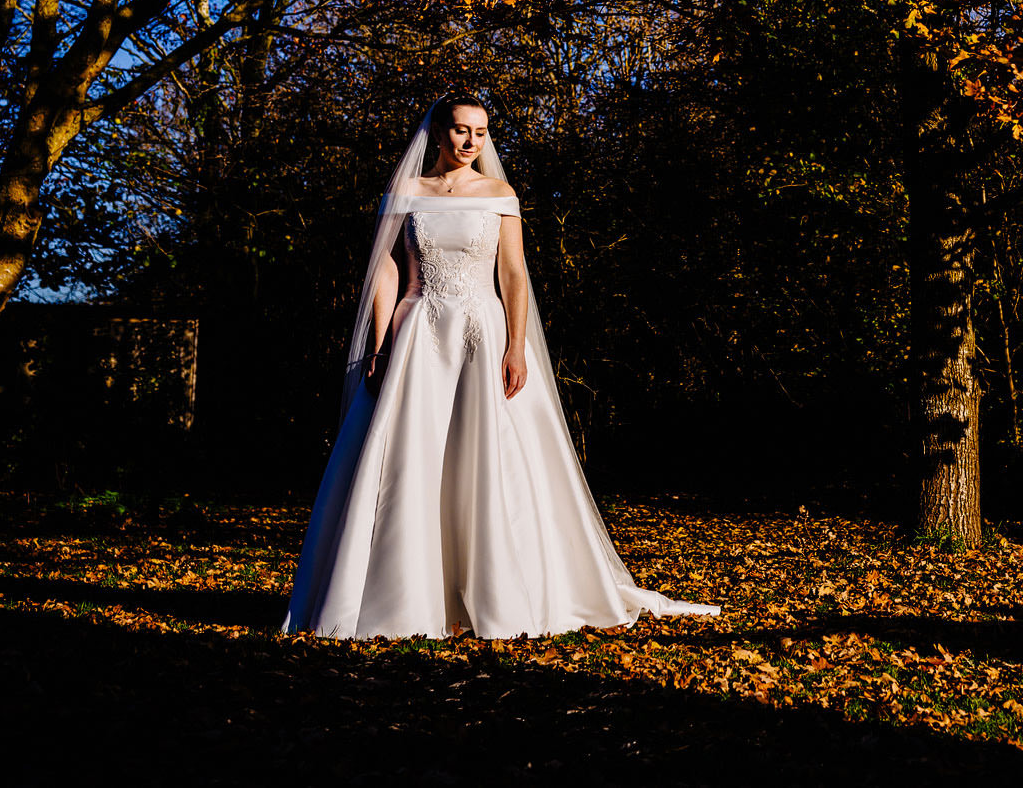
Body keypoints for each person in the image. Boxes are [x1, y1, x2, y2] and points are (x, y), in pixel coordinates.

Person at [281, 94, 719, 639]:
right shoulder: (407, 193)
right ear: (436, 132)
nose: (471, 142)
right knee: (411, 456)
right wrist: (379, 343)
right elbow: (385, 272)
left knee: (488, 452)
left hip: (482, 335)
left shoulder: (499, 193)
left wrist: (516, 344)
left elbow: (513, 274)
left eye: (482, 132)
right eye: (462, 131)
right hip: (418, 333)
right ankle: (405, 597)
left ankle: (498, 591)